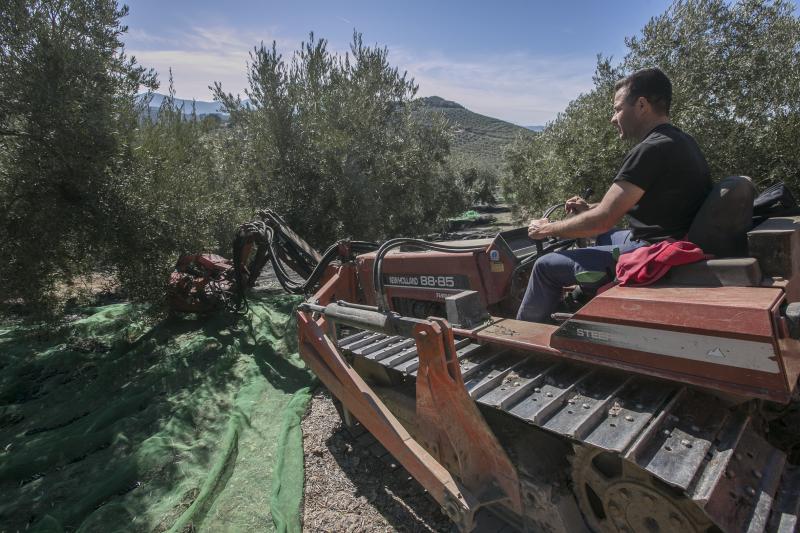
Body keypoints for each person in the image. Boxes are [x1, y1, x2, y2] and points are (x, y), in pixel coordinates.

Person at [516, 67, 712, 323]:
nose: (613, 118)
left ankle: (525, 340)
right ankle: (581, 298)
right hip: (667, 238)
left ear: (641, 105)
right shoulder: (680, 141)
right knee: (602, 235)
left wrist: (547, 229)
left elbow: (604, 218)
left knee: (544, 267)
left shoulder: (650, 149)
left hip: (651, 251)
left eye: (618, 109)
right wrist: (590, 211)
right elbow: (618, 206)